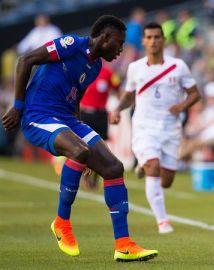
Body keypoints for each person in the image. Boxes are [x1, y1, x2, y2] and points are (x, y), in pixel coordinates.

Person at [1, 15, 158, 262]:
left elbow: (75, 100)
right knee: (80, 152)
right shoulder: (72, 44)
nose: (120, 50)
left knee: (114, 168)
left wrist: (80, 133)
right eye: (118, 43)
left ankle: (124, 244)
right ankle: (61, 222)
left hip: (67, 118)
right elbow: (26, 59)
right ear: (104, 37)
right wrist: (17, 106)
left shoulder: (95, 67)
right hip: (38, 114)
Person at [110, 22, 200, 234]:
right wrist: (117, 109)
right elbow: (129, 95)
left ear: (163, 40)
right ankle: (163, 222)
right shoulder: (135, 68)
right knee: (153, 166)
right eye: (149, 37)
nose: (153, 41)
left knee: (166, 181)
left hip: (170, 129)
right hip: (144, 126)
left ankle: (143, 165)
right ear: (143, 41)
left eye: (157, 37)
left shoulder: (178, 66)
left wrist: (181, 105)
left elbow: (195, 93)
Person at [79, 62, 121, 190]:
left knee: (100, 148)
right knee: (84, 148)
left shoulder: (108, 73)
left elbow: (117, 88)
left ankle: (95, 179)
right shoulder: (83, 70)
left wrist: (118, 109)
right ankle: (85, 177)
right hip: (85, 113)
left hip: (100, 115)